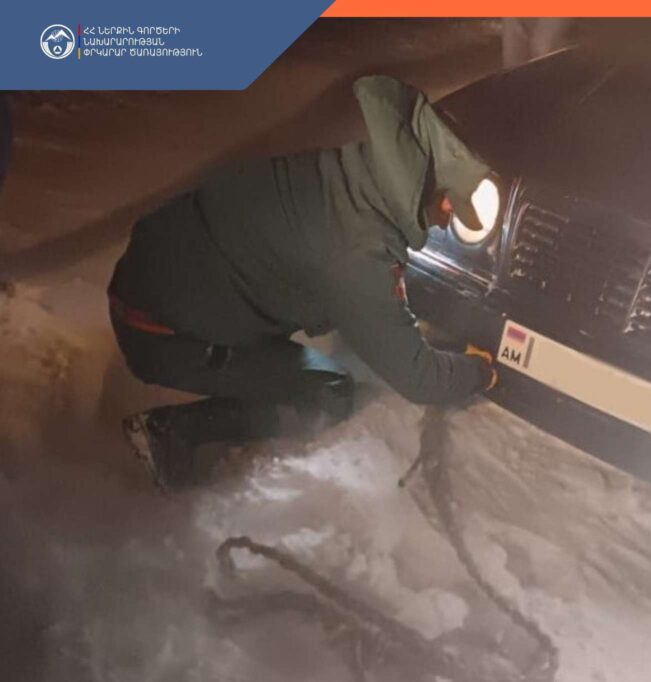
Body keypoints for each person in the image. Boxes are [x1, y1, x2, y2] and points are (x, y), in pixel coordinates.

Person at [109, 75, 498, 489]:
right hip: (159, 332)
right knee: (329, 391)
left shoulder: (348, 175)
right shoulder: (357, 248)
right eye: (451, 205)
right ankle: (169, 431)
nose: (447, 220)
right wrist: (480, 371)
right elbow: (419, 379)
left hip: (151, 281)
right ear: (429, 190)